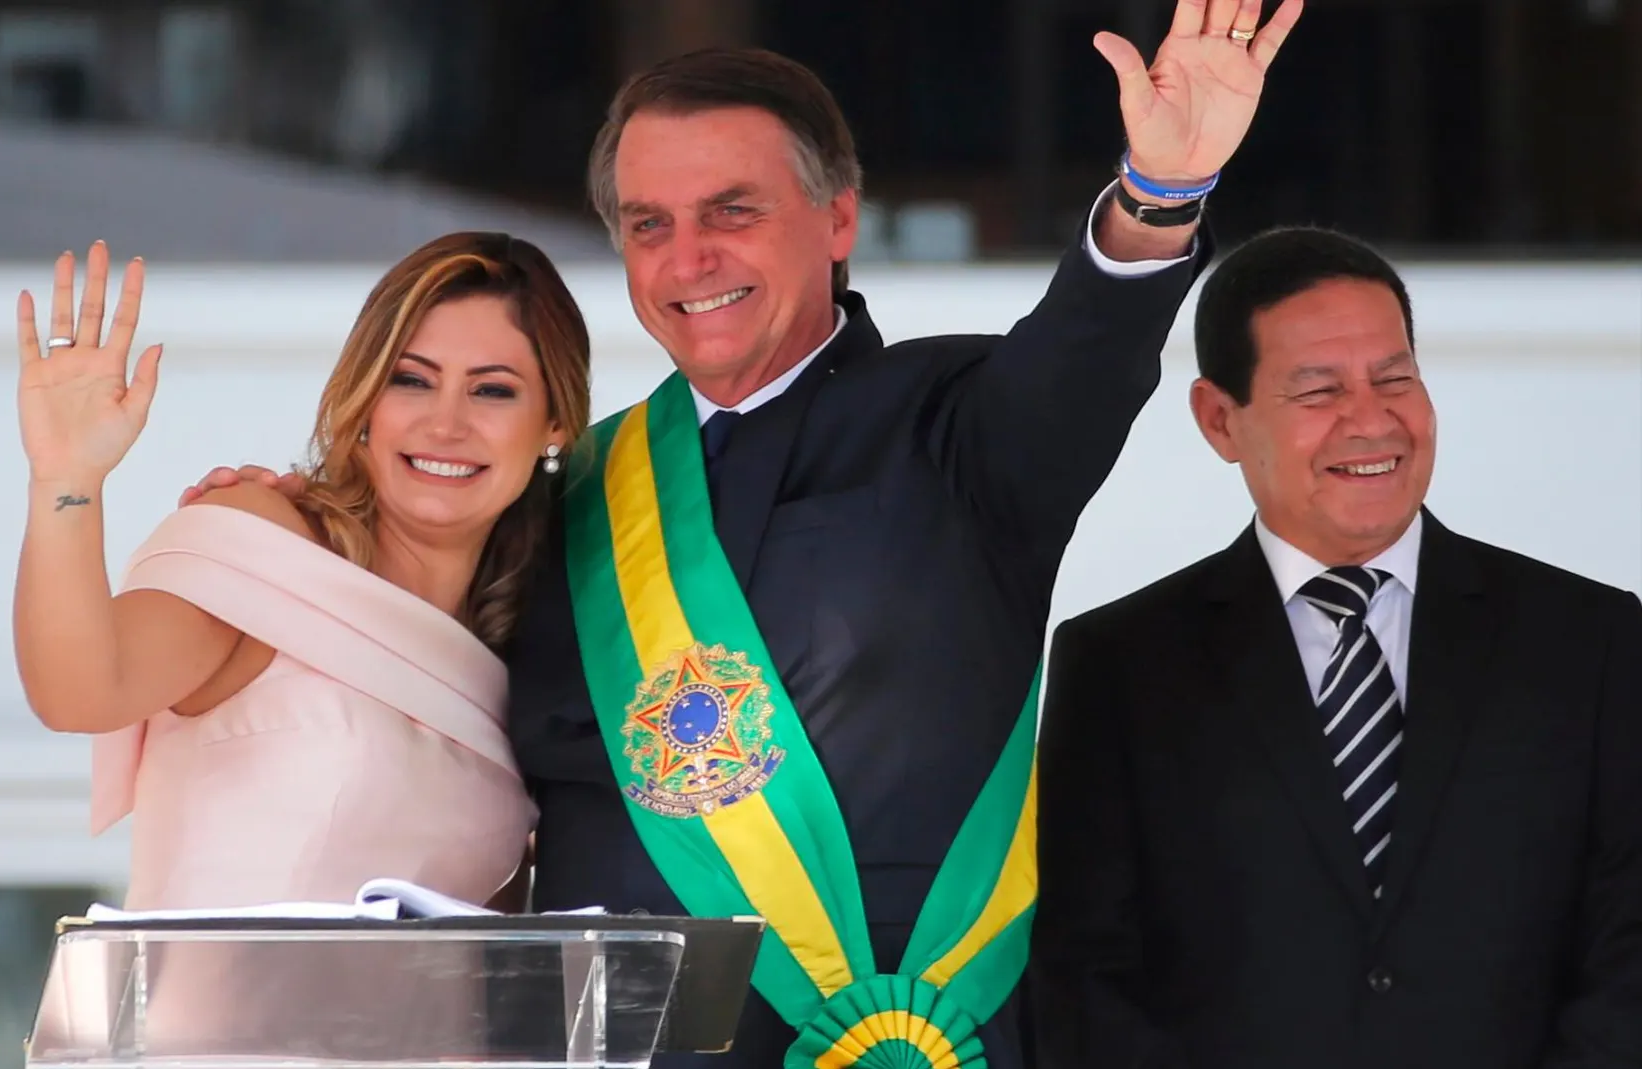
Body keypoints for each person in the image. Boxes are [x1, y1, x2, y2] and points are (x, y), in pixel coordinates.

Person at [184, 2, 1302, 1063]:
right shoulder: (563, 494)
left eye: (732, 211)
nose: (689, 260)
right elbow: (398, 623)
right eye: (649, 226)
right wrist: (284, 519)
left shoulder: (961, 427)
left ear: (838, 219)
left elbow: (1085, 348)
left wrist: (1160, 189)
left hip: (900, 1043)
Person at [1030, 226, 1642, 1069]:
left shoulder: (1591, 640)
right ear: (1219, 418)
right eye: (1318, 391)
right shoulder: (1120, 665)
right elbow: (1086, 977)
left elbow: (1628, 949)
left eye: (1395, 378)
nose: (1371, 419)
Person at [14, 231, 591, 913]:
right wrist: (66, 479)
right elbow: (79, 691)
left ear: (554, 423)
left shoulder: (537, 647)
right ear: (366, 403)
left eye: (492, 391)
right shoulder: (264, 545)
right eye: (411, 380)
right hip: (201, 1019)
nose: (446, 423)